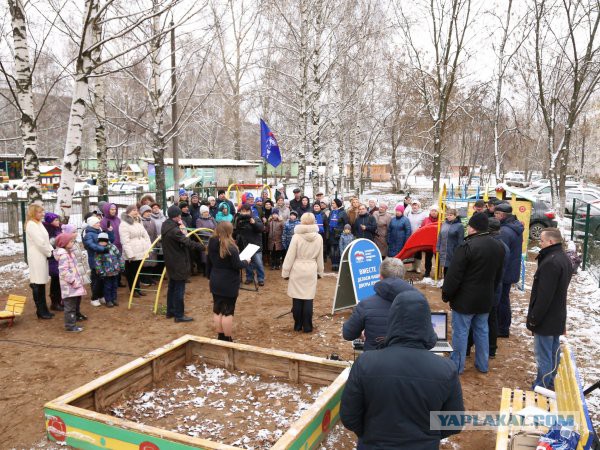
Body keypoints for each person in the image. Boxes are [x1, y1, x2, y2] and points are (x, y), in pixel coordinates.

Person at [340, 289, 464, 449]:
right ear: (427, 323)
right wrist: (426, 435)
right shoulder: (446, 369)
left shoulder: (365, 362)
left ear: (392, 320)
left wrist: (370, 433)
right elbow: (453, 422)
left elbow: (349, 416)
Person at [442, 213, 505, 374]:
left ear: (472, 228)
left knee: (461, 333)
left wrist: (447, 294)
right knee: (482, 331)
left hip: (465, 300)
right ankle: (483, 364)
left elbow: (454, 275)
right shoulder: (498, 246)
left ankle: (457, 366)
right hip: (485, 298)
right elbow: (498, 275)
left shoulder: (466, 246)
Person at [527, 228, 572, 390]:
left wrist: (534, 318)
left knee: (544, 355)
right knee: (552, 353)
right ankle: (549, 381)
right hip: (556, 316)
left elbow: (544, 295)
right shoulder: (563, 258)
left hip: (546, 318)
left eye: (542, 240)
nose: (540, 243)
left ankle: (542, 386)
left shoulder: (551, 262)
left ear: (551, 242)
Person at [342, 258, 414, 350]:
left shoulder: (365, 305)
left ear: (380, 277)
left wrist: (360, 335)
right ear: (403, 277)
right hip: (406, 360)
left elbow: (348, 334)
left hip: (374, 359)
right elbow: (430, 340)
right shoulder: (418, 303)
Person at [467, 218, 509, 359]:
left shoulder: (492, 246)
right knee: (491, 319)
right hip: (495, 287)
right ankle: (491, 349)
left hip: (487, 289)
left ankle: (469, 347)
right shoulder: (502, 245)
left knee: (479, 320)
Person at [207, 221, 250, 342]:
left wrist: (209, 276)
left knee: (217, 309)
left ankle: (220, 336)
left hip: (215, 279)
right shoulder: (231, 247)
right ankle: (227, 338)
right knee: (227, 311)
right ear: (229, 231)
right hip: (228, 282)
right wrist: (246, 261)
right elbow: (237, 265)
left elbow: (208, 261)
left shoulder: (212, 242)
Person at [161, 205, 205, 322]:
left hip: (171, 261)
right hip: (178, 262)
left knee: (172, 287)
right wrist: (203, 247)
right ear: (176, 216)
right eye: (179, 215)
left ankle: (170, 311)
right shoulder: (175, 231)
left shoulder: (166, 225)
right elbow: (187, 242)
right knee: (179, 289)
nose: (180, 217)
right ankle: (179, 315)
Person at [282, 213, 324, 332]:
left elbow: (290, 255)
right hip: (311, 269)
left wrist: (285, 272)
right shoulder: (319, 237)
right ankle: (307, 326)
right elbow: (320, 257)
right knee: (308, 298)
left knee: (297, 298)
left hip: (297, 268)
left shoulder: (296, 237)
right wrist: (320, 272)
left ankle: (297, 325)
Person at [495, 202, 524, 338]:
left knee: (501, 300)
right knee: (504, 299)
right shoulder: (515, 225)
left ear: (502, 215)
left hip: (504, 271)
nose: (494, 216)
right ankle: (503, 327)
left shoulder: (504, 231)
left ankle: (502, 328)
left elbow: (501, 254)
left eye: (496, 214)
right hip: (511, 269)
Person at [53, 232, 88, 332]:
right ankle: (70, 326)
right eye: (71, 241)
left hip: (73, 284)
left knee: (73, 305)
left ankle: (72, 323)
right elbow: (64, 271)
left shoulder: (70, 253)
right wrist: (73, 281)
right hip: (69, 286)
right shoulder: (64, 255)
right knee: (70, 307)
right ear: (64, 243)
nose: (73, 242)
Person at [25, 204, 54, 319]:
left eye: (42, 212)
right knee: (37, 282)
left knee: (41, 283)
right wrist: (50, 253)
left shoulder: (38, 223)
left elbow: (45, 241)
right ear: (33, 213)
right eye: (40, 212)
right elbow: (40, 243)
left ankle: (44, 309)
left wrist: (51, 251)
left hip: (42, 255)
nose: (42, 214)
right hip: (36, 256)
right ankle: (40, 310)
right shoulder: (31, 225)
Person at [120, 205, 152, 298]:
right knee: (131, 273)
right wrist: (130, 254)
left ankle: (138, 289)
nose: (136, 211)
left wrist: (148, 248)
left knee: (138, 271)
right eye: (134, 210)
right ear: (128, 211)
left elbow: (145, 235)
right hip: (132, 253)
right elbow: (125, 241)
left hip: (140, 250)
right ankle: (133, 290)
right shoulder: (124, 224)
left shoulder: (138, 221)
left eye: (136, 210)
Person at [234, 204, 266, 286]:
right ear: (240, 211)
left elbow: (261, 228)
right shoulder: (238, 219)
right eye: (243, 211)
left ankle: (260, 278)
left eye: (246, 211)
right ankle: (249, 277)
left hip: (255, 245)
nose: (245, 213)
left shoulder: (255, 218)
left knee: (258, 263)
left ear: (250, 211)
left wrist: (254, 223)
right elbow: (236, 231)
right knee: (247, 263)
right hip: (244, 245)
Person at [83, 216, 110, 306]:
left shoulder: (100, 232)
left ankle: (101, 296)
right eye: (97, 223)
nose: (99, 224)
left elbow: (109, 241)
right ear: (91, 224)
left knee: (102, 279)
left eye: (99, 222)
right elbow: (90, 245)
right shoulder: (88, 235)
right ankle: (94, 298)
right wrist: (102, 249)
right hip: (94, 260)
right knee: (96, 280)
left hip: (102, 259)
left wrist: (110, 232)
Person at [94, 232, 124, 307]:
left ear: (107, 241)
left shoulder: (113, 247)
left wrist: (122, 266)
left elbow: (119, 256)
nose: (102, 243)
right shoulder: (99, 250)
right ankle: (108, 300)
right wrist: (100, 271)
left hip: (115, 271)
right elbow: (98, 262)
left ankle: (114, 299)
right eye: (100, 242)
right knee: (108, 286)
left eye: (103, 241)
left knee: (115, 285)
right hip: (106, 273)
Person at [43, 212, 63, 311]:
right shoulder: (48, 231)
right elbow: (49, 245)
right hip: (53, 260)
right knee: (55, 282)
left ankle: (59, 301)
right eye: (55, 220)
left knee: (59, 281)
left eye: (58, 220)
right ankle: (54, 302)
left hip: (59, 258)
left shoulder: (58, 229)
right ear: (50, 221)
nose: (58, 222)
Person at [437, 208, 464, 277]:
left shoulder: (459, 226)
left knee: (452, 268)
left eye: (451, 215)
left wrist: (458, 251)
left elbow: (460, 240)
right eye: (447, 215)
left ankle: (450, 284)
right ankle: (445, 283)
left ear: (455, 216)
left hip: (453, 250)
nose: (448, 216)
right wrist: (438, 247)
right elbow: (440, 236)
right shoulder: (444, 224)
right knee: (445, 267)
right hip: (443, 250)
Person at [406, 199, 428, 273]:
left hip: (419, 235)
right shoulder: (409, 213)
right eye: (413, 205)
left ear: (419, 206)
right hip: (410, 235)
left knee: (418, 251)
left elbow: (426, 224)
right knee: (412, 251)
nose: (414, 206)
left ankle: (417, 267)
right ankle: (413, 266)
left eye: (416, 205)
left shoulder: (424, 214)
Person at [196, 205, 217, 276]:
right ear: (201, 213)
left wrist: (214, 234)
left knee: (211, 255)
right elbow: (200, 230)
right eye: (204, 212)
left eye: (207, 212)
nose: (206, 213)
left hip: (212, 239)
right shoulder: (199, 220)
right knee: (205, 256)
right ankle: (205, 272)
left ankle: (211, 270)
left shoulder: (211, 219)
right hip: (204, 240)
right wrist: (209, 234)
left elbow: (216, 227)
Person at [421, 205, 439, 278]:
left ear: (438, 212)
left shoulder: (441, 220)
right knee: (428, 258)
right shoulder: (426, 220)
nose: (433, 212)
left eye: (435, 211)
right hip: (428, 243)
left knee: (438, 259)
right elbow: (421, 229)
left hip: (437, 243)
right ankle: (427, 272)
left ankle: (437, 273)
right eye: (432, 211)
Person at [328, 198, 344, 270]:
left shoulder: (342, 212)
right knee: (332, 249)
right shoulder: (331, 212)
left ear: (337, 204)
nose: (332, 204)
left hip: (338, 233)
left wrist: (339, 230)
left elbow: (346, 223)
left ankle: (337, 264)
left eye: (333, 203)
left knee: (337, 249)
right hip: (331, 233)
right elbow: (329, 221)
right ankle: (333, 264)